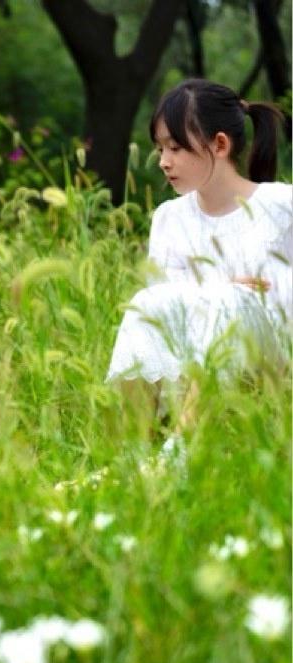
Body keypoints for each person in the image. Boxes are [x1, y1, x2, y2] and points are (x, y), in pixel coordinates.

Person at [106, 79, 291, 459]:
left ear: (220, 145)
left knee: (229, 301)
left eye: (175, 147)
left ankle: (178, 458)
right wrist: (220, 288)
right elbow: (166, 311)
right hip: (196, 364)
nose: (163, 161)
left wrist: (231, 296)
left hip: (272, 359)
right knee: (144, 303)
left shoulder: (281, 205)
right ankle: (134, 455)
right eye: (160, 148)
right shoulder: (170, 218)